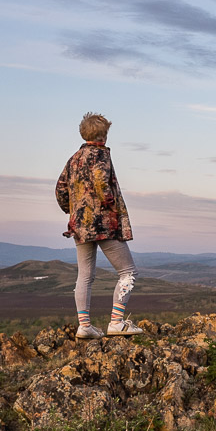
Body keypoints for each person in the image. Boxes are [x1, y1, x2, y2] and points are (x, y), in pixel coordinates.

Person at [55, 112, 144, 338]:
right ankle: (117, 322)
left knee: (85, 276)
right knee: (128, 272)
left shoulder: (73, 158)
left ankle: (84, 326)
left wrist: (74, 211)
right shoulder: (101, 154)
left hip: (80, 226)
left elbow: (60, 190)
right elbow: (101, 181)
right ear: (104, 135)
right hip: (104, 223)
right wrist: (109, 204)